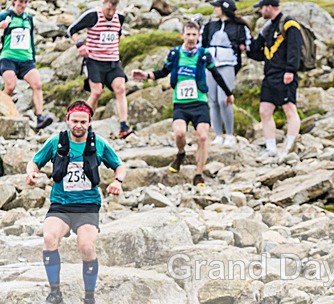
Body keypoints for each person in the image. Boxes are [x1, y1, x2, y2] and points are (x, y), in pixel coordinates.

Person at [26, 100, 125, 304]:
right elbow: (34, 162)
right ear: (67, 120)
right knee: (49, 237)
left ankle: (89, 299)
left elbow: (119, 165)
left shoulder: (98, 143)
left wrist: (117, 181)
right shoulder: (56, 142)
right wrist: (31, 173)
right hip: (60, 203)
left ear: (90, 122)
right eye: (75, 121)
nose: (78, 125)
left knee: (87, 247)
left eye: (83, 121)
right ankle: (55, 295)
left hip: (88, 205)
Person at [132, 20, 234, 187]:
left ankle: (198, 174)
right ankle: (181, 153)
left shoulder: (203, 54)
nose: (191, 38)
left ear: (199, 36)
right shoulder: (175, 54)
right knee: (179, 134)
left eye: (194, 34)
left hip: (199, 102)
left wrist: (228, 93)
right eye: (188, 34)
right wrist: (146, 75)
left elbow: (215, 74)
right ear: (182, 35)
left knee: (202, 137)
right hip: (180, 103)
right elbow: (163, 71)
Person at [68, 0, 133, 139]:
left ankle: (124, 126)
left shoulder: (119, 18)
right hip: (94, 61)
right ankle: (84, 121)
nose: (111, 12)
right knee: (97, 92)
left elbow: (117, 35)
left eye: (114, 8)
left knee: (120, 88)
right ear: (104, 2)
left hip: (113, 62)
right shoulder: (93, 15)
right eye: (109, 8)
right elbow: (71, 29)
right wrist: (80, 44)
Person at [248, 0, 301, 160]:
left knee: (289, 109)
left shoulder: (289, 24)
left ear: (269, 7)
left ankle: (289, 147)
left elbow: (295, 48)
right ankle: (270, 148)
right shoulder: (268, 27)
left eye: (261, 8)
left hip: (284, 73)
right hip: (269, 75)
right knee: (265, 111)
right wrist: (247, 48)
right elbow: (258, 53)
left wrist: (291, 70)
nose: (260, 12)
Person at [201, 0, 251, 146]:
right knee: (213, 101)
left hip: (228, 64)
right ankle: (218, 134)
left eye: (217, 6)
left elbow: (247, 44)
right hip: (210, 65)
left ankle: (229, 134)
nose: (214, 9)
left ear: (224, 8)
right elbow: (202, 44)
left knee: (224, 99)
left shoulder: (239, 27)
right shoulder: (210, 26)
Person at [0, 0, 53, 130]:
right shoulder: (5, 15)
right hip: (8, 57)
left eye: (25, 2)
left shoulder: (29, 18)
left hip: (26, 59)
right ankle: (4, 109)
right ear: (14, 2)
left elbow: (31, 39)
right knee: (10, 86)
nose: (22, 5)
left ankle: (40, 117)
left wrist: (33, 58)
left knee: (37, 84)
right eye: (20, 2)